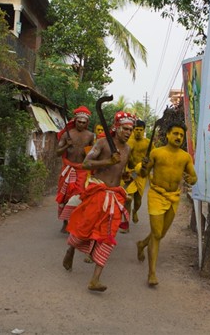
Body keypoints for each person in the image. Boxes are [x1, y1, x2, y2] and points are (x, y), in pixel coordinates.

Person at [62, 111, 135, 292]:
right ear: (116, 128)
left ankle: (95, 279)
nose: (128, 133)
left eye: (130, 130)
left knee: (109, 236)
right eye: (125, 129)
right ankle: (70, 249)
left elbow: (122, 172)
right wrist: (108, 162)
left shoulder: (127, 150)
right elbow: (86, 164)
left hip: (115, 196)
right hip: (98, 191)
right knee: (84, 228)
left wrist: (127, 175)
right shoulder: (102, 143)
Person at [136, 122, 197, 286]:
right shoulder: (156, 153)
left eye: (181, 135)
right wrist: (143, 166)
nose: (178, 137)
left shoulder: (185, 157)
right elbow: (143, 173)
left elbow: (193, 176)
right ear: (168, 135)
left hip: (173, 197)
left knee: (160, 234)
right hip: (156, 195)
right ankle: (152, 274)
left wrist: (191, 179)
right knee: (157, 234)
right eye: (175, 134)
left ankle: (142, 244)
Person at [55, 106, 95, 233]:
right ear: (75, 120)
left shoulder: (90, 136)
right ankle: (65, 222)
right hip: (68, 168)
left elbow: (92, 154)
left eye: (84, 122)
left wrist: (87, 153)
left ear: (87, 123)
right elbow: (57, 152)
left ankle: (75, 222)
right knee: (65, 196)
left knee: (79, 196)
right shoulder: (67, 134)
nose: (81, 124)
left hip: (82, 170)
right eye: (79, 122)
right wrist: (67, 145)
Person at [123, 120, 150, 226]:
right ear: (133, 130)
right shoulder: (128, 141)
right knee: (128, 199)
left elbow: (154, 157)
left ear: (144, 130)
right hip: (130, 173)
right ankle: (125, 223)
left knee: (138, 201)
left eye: (140, 130)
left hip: (141, 175)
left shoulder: (148, 143)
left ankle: (135, 211)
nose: (138, 132)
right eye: (136, 130)